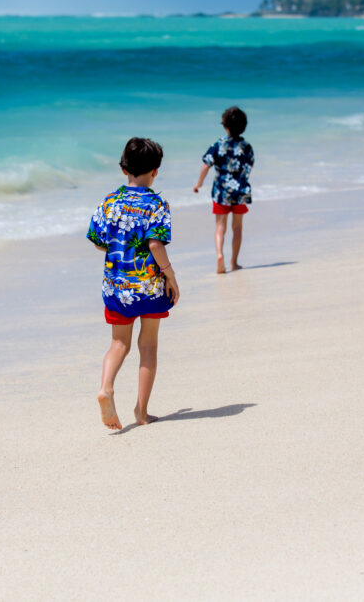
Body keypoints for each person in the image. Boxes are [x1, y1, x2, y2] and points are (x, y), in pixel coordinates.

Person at [87, 137, 179, 430]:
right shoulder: (157, 203)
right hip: (150, 286)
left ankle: (106, 388)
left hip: (117, 287)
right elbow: (155, 244)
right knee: (148, 346)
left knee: (118, 343)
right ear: (155, 170)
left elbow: (100, 243)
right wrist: (170, 275)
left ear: (123, 167)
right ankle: (141, 411)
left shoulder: (110, 202)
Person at [193, 106, 255, 273]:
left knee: (220, 227)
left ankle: (219, 255)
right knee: (237, 228)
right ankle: (234, 262)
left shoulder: (218, 145)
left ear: (225, 126)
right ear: (243, 126)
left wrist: (199, 184)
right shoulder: (247, 147)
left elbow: (205, 166)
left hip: (221, 192)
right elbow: (250, 166)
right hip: (241, 191)